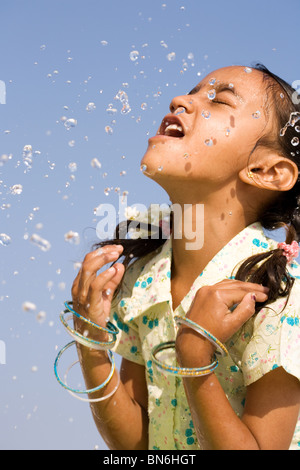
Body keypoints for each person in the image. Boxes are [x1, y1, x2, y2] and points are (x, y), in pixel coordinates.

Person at [67, 64, 300, 450]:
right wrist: (91, 345)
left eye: (220, 99)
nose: (181, 100)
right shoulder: (145, 277)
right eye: (192, 91)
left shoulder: (277, 293)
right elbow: (134, 446)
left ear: (266, 171)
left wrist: (196, 360)